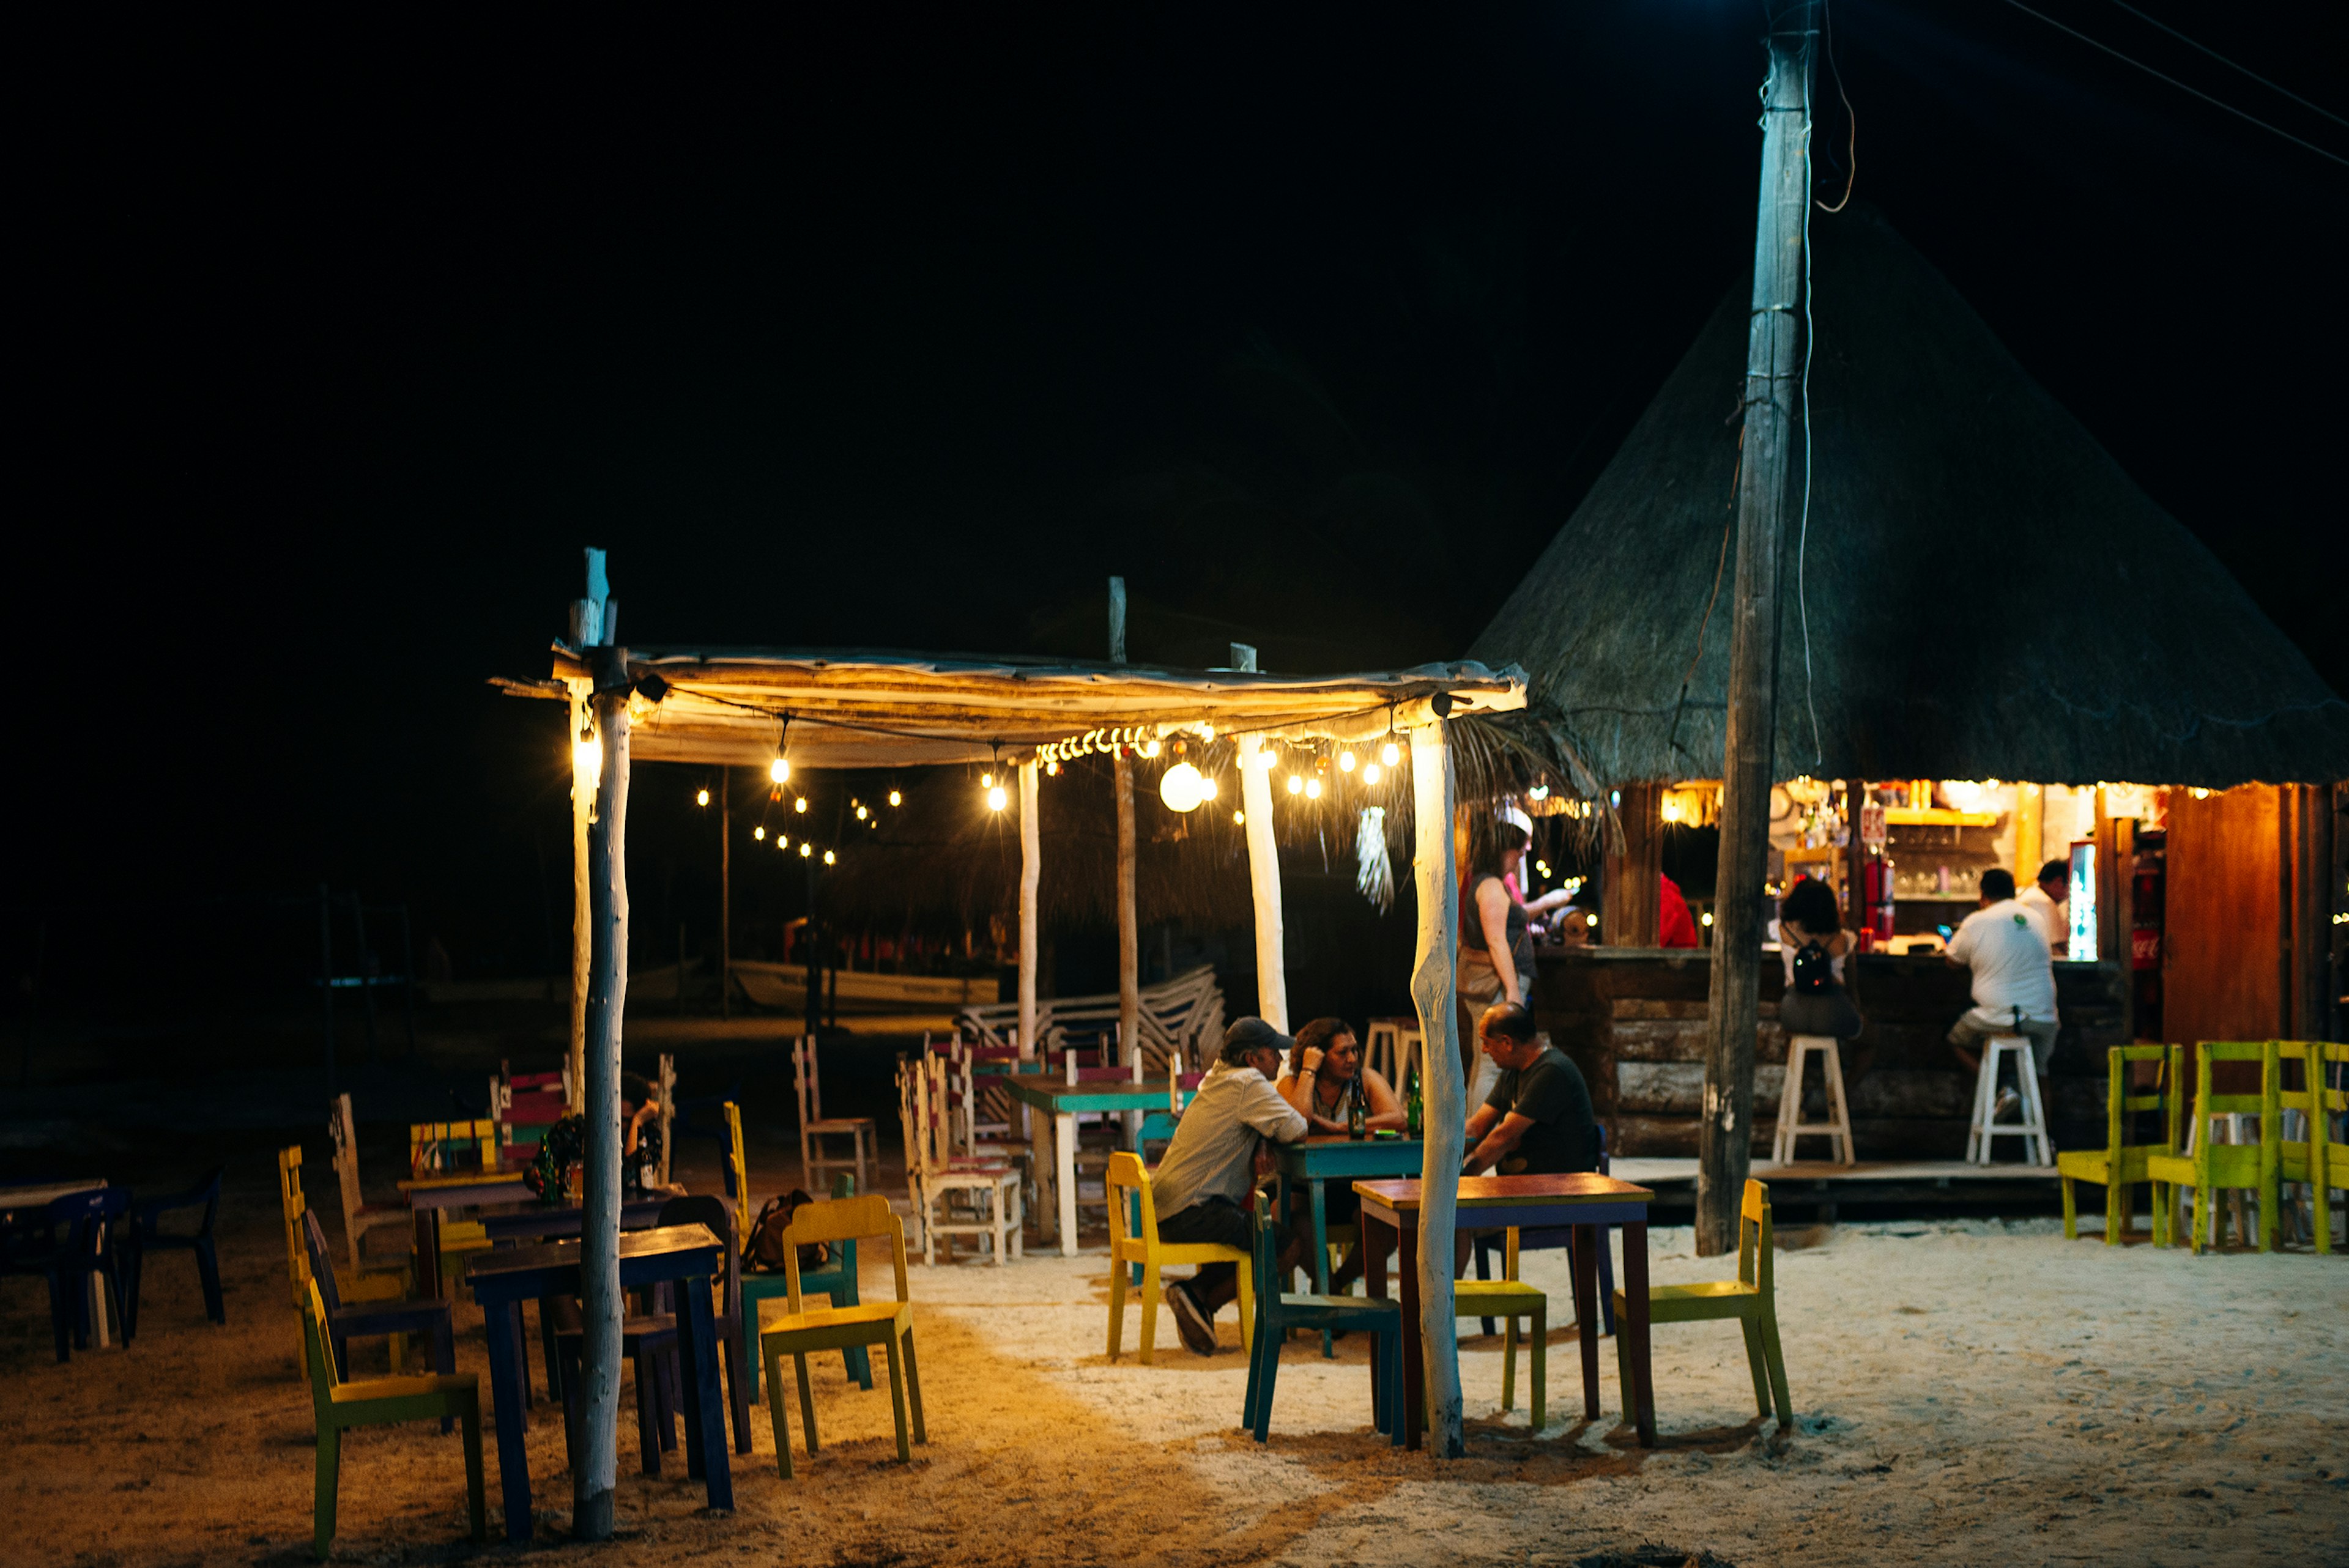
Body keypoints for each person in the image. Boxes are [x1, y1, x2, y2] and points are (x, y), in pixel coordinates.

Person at [1148, 1017, 1314, 1356]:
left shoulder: (1218, 1077)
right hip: (1192, 1210)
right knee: (1286, 1247)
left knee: (1251, 1236)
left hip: (1168, 1207)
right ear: (1253, 1058)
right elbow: (1297, 1129)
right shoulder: (1248, 1082)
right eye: (1274, 1053)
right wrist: (1308, 1074)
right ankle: (1198, 1295)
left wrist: (1262, 1141)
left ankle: (1198, 1301)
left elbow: (1258, 1123)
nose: (1281, 1061)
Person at [1944, 868, 2060, 1118]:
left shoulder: (1977, 921)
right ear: (2013, 893)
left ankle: (2001, 1090)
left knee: (1956, 1040)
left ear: (1983, 895)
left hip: (1998, 1017)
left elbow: (1952, 960)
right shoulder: (2035, 918)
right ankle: (2047, 1142)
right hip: (2045, 1019)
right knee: (2040, 1074)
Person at [1460, 1002, 1601, 1180]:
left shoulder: (1552, 1071)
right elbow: (1476, 1128)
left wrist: (1462, 1180)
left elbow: (1503, 1138)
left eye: (1486, 1042)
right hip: (1524, 1183)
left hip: (1557, 1187)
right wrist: (1440, 1157)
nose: (1484, 1050)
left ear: (1507, 1043)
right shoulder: (1511, 1073)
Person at [1458, 820, 1537, 1093]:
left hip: (1493, 983)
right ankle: (1482, 1132)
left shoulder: (1482, 882)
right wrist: (1513, 991)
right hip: (1497, 984)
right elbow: (1496, 940)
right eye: (1518, 851)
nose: (1520, 858)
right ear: (1503, 850)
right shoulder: (1490, 886)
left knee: (1484, 1062)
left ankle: (1473, 1131)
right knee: (1493, 1065)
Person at [1775, 875, 1863, 1039]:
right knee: (1869, 1038)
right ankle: (1845, 1065)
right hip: (1833, 1011)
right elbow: (1852, 987)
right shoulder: (1843, 939)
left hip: (1793, 1012)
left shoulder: (1782, 931)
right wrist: (1856, 1009)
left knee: (1795, 1044)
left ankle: (1797, 1065)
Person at [2016, 858, 2071, 955]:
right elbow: (2055, 949)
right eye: (2070, 886)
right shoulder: (2043, 903)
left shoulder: (2031, 894)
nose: (2069, 894)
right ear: (2059, 882)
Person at [1658, 873, 1701, 949]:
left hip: (1679, 958)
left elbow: (1659, 937)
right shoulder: (1662, 890)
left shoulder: (1665, 893)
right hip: (1669, 956)